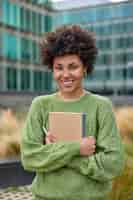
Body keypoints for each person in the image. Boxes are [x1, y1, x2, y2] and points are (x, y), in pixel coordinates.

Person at [21, 25, 125, 200]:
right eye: (59, 67)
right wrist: (77, 148)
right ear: (52, 69)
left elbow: (113, 164)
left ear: (85, 67)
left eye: (73, 66)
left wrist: (56, 151)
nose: (65, 74)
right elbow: (29, 158)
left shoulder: (101, 106)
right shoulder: (40, 105)